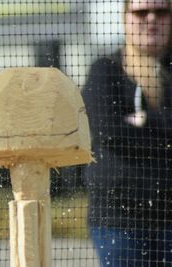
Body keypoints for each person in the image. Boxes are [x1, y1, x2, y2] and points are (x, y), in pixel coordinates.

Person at [82, 0, 172, 265]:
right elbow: (109, 132)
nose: (152, 19)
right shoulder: (105, 69)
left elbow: (123, 135)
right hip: (120, 221)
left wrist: (144, 121)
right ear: (125, 18)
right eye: (141, 12)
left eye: (162, 11)